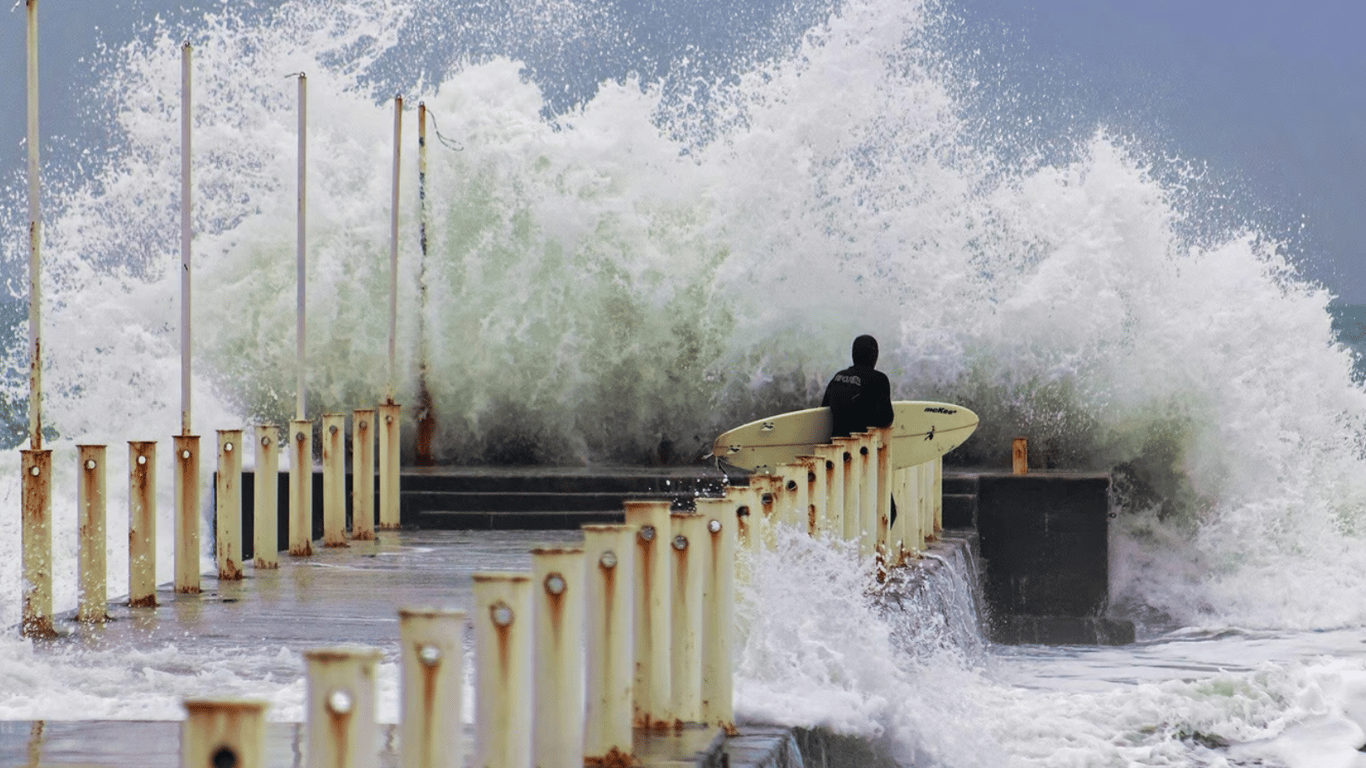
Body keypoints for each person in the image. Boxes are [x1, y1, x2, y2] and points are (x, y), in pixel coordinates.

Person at [821, 334, 894, 438]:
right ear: (875, 355)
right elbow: (886, 420)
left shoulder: (837, 377)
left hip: (835, 442)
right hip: (862, 446)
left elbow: (822, 412)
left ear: (853, 354)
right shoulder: (879, 379)